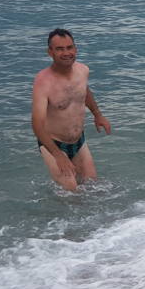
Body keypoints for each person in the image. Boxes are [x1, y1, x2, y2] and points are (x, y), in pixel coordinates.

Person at [32, 29, 111, 191]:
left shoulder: (83, 71)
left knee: (93, 187)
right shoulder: (43, 82)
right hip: (53, 144)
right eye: (59, 49)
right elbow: (37, 125)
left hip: (79, 141)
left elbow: (84, 92)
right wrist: (58, 155)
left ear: (75, 49)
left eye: (69, 47)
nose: (66, 53)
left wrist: (98, 115)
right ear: (50, 52)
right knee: (71, 192)